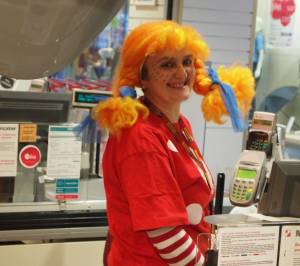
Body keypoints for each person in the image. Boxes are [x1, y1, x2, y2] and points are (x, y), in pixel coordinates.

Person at [92, 20, 254, 266]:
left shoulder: (178, 124)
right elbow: (164, 233)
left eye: (187, 62)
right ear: (141, 77)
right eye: (167, 65)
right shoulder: (140, 135)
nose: (182, 73)